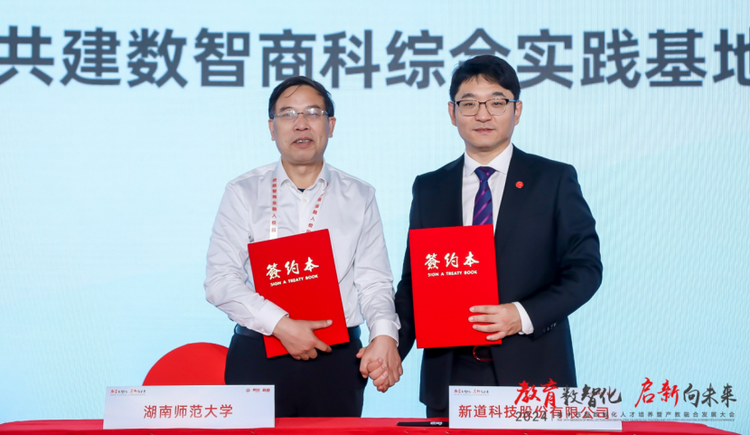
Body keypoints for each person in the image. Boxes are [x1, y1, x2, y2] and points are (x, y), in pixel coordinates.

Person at [393, 55, 603, 417]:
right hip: (450, 375)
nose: (483, 115)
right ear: (452, 112)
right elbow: (415, 284)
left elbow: (585, 270)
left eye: (496, 102)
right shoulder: (430, 188)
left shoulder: (553, 180)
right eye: (469, 104)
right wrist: (390, 350)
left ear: (516, 110)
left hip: (534, 373)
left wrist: (520, 315)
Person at [205, 76, 401, 417]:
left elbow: (374, 282)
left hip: (336, 359)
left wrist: (385, 335)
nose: (300, 124)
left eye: (313, 112)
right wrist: (281, 325)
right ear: (271, 127)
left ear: (330, 125)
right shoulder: (243, 192)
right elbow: (220, 280)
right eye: (287, 114)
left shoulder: (359, 195)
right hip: (258, 354)